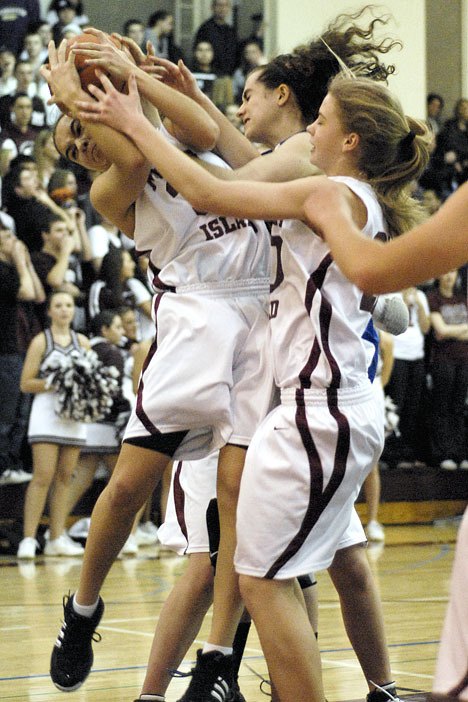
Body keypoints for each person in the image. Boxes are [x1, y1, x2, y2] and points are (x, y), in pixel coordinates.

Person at [74, 64, 430, 702]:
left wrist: (131, 115)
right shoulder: (340, 193)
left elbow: (210, 190)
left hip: (317, 407)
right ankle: (275, 675)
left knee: (264, 578)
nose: (309, 129)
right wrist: (166, 95)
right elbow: (233, 155)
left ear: (349, 142)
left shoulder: (324, 194)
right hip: (307, 401)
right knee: (271, 570)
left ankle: (222, 669)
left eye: (321, 121)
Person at [43, 33, 272, 696]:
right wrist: (89, 101)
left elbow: (200, 126)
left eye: (80, 126)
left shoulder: (190, 142)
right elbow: (135, 158)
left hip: (261, 316)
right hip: (197, 320)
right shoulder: (112, 190)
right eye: (69, 142)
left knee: (240, 508)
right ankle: (82, 608)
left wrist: (128, 78)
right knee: (126, 487)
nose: (80, 140)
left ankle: (220, 658)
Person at [17, 290, 90, 559]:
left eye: (68, 305)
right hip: (47, 415)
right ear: (49, 311)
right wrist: (57, 381)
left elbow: (91, 380)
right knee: (43, 476)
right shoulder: (41, 341)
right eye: (58, 305)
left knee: (64, 477)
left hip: (73, 417)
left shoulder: (82, 342)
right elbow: (26, 383)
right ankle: (28, 539)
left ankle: (56, 537)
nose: (64, 310)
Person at [0, 226, 45, 486]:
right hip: (6, 351)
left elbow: (38, 295)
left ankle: (13, 464)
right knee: (6, 415)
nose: (14, 241)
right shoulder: (3, 271)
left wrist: (26, 263)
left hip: (23, 349)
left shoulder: (15, 269)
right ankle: (3, 465)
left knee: (21, 412)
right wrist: (18, 261)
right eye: (7, 238)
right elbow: (26, 292)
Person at [426, 270, 468, 470]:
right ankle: (443, 453)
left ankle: (460, 453)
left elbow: (446, 330)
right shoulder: (433, 297)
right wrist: (462, 329)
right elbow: (439, 330)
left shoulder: (463, 298)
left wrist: (451, 331)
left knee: (459, 407)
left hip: (464, 360)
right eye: (446, 271)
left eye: (453, 271)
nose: (449, 275)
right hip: (443, 360)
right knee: (441, 406)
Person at [193, 0, 238, 77]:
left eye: (225, 5)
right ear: (212, 7)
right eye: (219, 5)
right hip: (209, 75)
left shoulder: (231, 31)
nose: (222, 9)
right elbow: (198, 51)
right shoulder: (205, 29)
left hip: (229, 75)